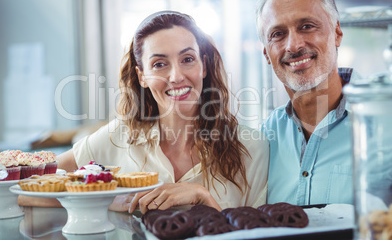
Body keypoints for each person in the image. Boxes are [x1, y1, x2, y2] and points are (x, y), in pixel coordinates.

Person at [56, 11, 269, 213]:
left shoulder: (251, 149)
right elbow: (28, 187)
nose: (176, 76)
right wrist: (103, 198)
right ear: (142, 77)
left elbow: (264, 233)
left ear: (203, 66)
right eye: (159, 64)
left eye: (187, 59)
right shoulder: (115, 138)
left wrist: (205, 199)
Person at [256, 0, 357, 205]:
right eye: (278, 34)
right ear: (266, 54)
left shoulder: (382, 122)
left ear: (337, 33)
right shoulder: (263, 140)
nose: (293, 45)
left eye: (307, 27)